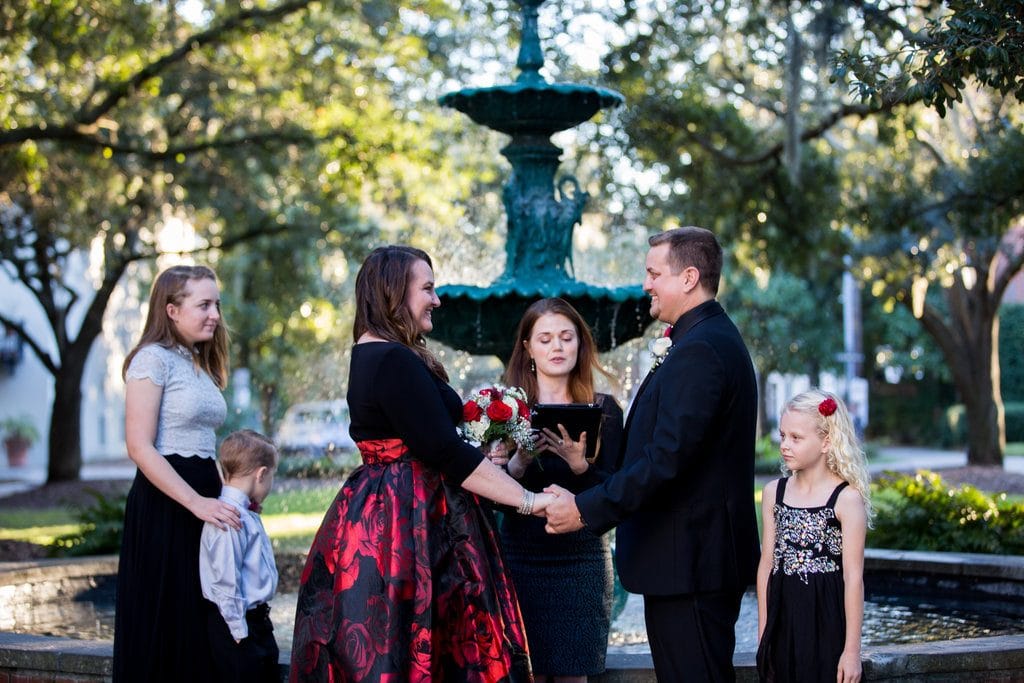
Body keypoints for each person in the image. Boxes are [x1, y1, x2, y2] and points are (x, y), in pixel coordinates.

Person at [289, 245, 556, 682]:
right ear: (395, 293)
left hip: (395, 507)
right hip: (408, 520)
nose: (437, 299)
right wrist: (528, 501)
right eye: (427, 288)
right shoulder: (391, 358)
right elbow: (445, 452)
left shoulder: (382, 353)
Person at [543, 226, 761, 682]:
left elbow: (666, 460)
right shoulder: (699, 340)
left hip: (694, 564)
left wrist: (584, 510)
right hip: (688, 562)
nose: (645, 284)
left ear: (688, 277)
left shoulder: (701, 349)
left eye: (653, 273)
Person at [114, 264, 241, 683]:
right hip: (167, 508)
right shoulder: (152, 360)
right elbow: (139, 446)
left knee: (200, 627)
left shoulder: (197, 361)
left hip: (202, 505)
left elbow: (202, 445)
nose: (215, 315)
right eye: (204, 304)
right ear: (171, 310)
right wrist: (196, 502)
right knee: (166, 627)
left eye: (216, 304)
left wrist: (231, 495)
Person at [486, 298, 624, 682]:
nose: (557, 347)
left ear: (580, 344)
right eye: (545, 339)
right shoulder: (506, 411)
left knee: (572, 676)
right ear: (528, 347)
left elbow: (617, 493)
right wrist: (520, 463)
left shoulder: (606, 409)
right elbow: (489, 497)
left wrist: (580, 465)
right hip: (519, 560)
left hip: (581, 564)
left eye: (566, 337)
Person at [756, 390, 871, 683]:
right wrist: (763, 633)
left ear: (827, 441)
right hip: (783, 617)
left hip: (827, 618)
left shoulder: (847, 499)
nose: (784, 445)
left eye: (796, 438)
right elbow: (767, 566)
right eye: (782, 435)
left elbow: (853, 577)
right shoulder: (774, 493)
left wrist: (851, 651)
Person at [200, 429, 281, 683]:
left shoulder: (243, 514)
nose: (271, 485)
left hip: (255, 620)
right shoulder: (229, 519)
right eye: (272, 477)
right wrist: (238, 630)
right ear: (261, 474)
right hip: (236, 626)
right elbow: (225, 579)